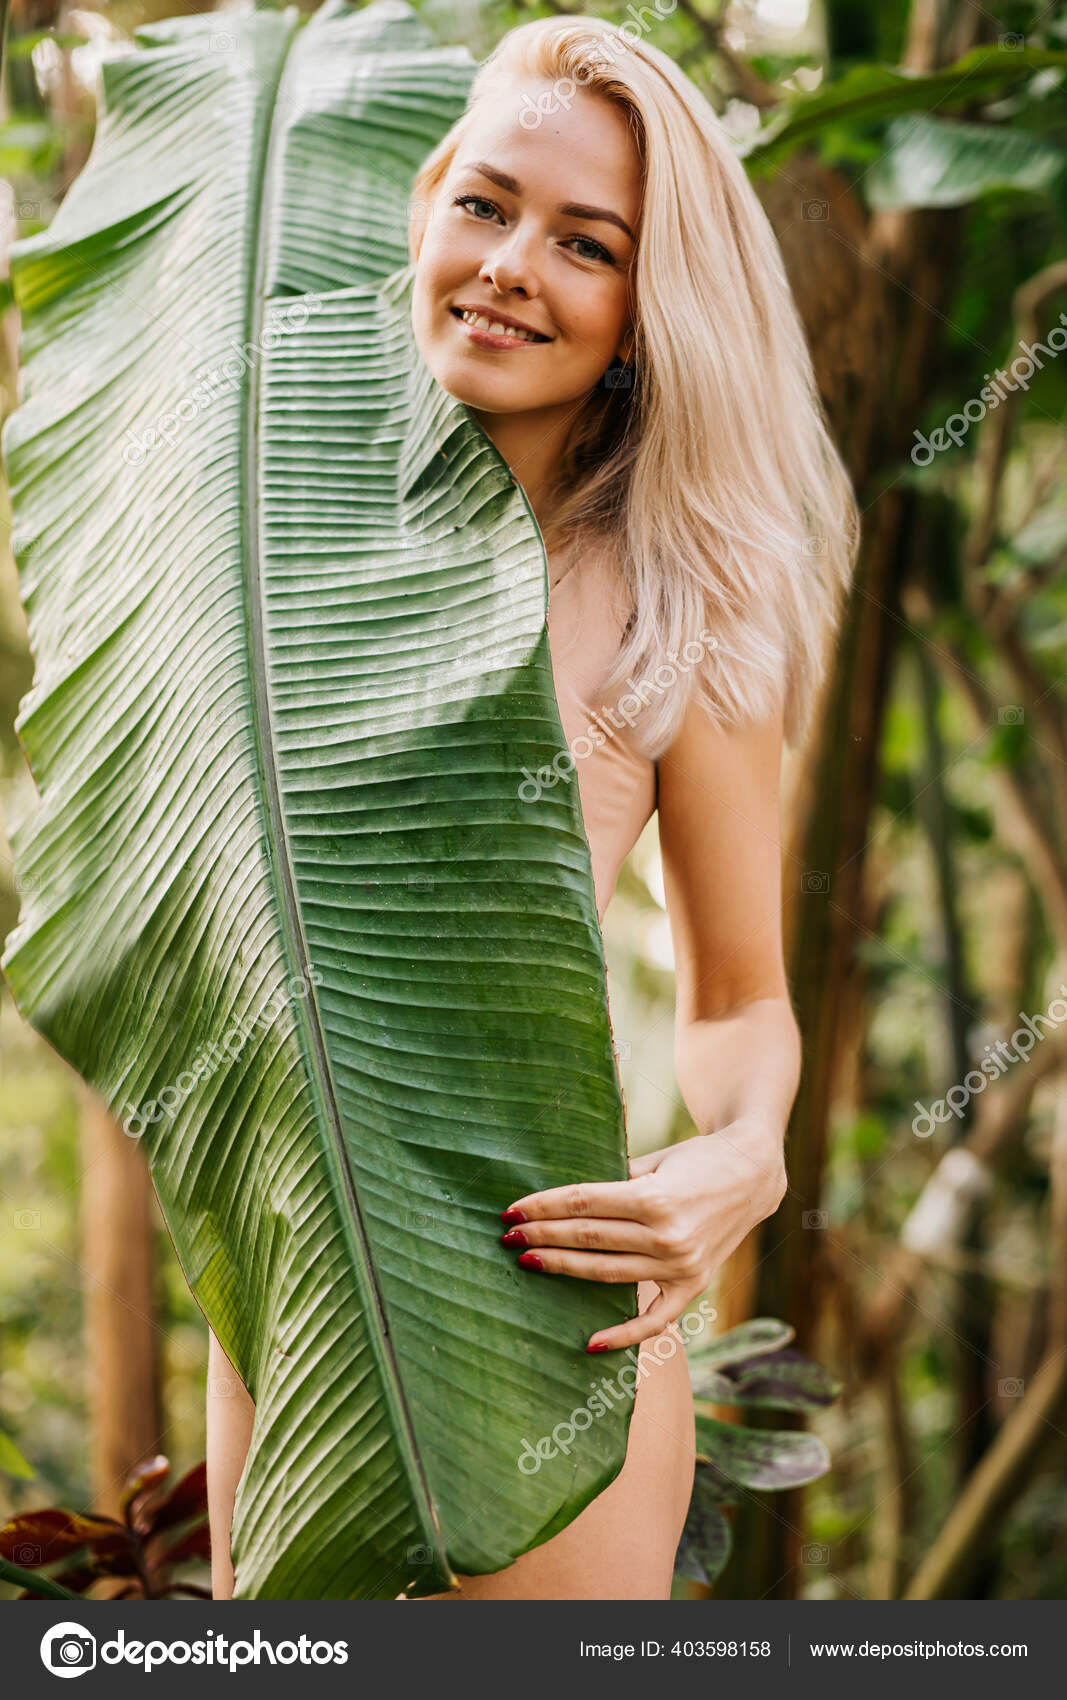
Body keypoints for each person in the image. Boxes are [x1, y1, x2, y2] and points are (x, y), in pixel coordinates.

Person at [208, 13, 859, 1602]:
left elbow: (743, 994)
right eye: (487, 206)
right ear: (425, 203)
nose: (511, 264)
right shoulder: (258, 535)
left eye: (586, 244)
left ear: (642, 314)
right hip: (288, 1289)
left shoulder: (680, 605)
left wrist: (745, 1153)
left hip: (535, 1302)